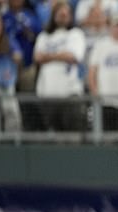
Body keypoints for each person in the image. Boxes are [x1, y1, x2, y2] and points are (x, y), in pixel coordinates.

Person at [33, 0, 86, 131]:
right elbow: (38, 57)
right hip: (47, 92)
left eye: (66, 14)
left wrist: (48, 56)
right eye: (60, 14)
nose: (63, 16)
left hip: (70, 92)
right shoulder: (44, 36)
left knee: (72, 133)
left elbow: (73, 56)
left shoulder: (76, 34)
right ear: (53, 16)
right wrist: (60, 55)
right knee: (52, 134)